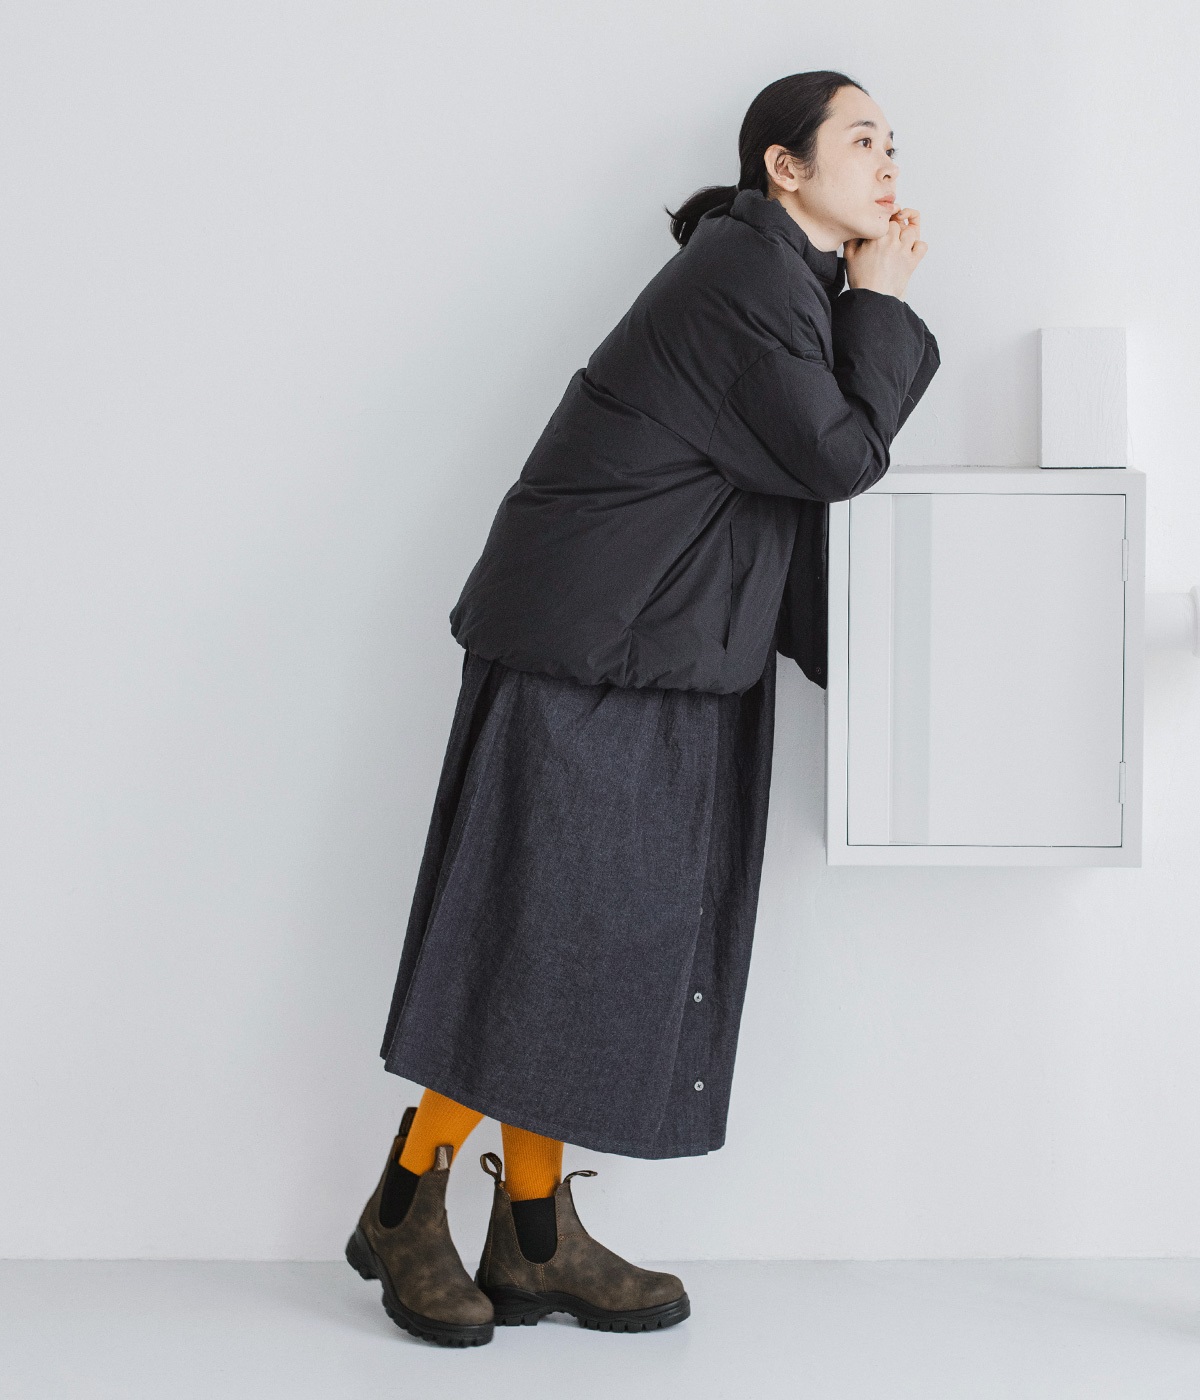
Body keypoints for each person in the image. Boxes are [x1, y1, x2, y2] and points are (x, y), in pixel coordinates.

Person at [346, 69, 941, 1348]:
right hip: (594, 648)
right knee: (539, 935)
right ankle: (404, 1201)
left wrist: (861, 302)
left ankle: (535, 1232)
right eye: (861, 140)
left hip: (655, 643)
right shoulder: (744, 277)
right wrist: (884, 301)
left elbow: (815, 449)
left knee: (591, 943)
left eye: (894, 142)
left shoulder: (787, 283)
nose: (888, 160)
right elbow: (838, 454)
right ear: (784, 167)